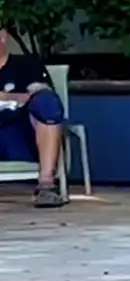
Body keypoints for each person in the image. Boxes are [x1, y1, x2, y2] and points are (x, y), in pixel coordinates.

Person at [0, 29, 66, 209]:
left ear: (2, 37)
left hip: (21, 135)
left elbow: (41, 93)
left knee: (47, 103)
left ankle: (46, 185)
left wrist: (6, 97)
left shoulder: (27, 65)